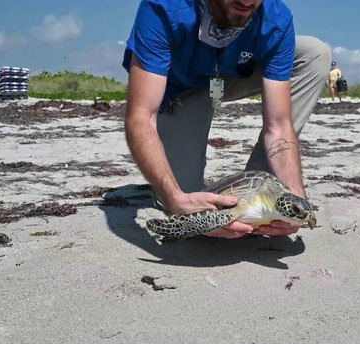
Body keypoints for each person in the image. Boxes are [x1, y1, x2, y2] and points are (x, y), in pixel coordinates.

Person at [122, 0, 331, 239]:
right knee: (184, 203)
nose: (246, 1)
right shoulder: (165, 8)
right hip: (181, 91)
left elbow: (279, 125)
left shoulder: (275, 18)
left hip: (231, 74)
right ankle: (183, 195)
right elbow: (141, 116)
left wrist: (295, 194)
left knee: (315, 52)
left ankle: (267, 193)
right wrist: (174, 197)